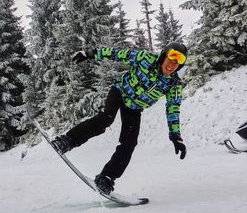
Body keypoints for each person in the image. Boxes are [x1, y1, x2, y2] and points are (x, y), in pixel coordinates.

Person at [51, 42, 188, 195]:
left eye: (179, 61)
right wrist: (90, 53)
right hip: (120, 92)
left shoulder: (174, 84)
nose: (172, 64)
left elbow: (173, 109)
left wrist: (175, 135)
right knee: (106, 119)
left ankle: (107, 177)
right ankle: (66, 141)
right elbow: (118, 53)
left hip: (134, 108)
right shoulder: (146, 59)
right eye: (171, 58)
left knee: (129, 143)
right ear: (164, 55)